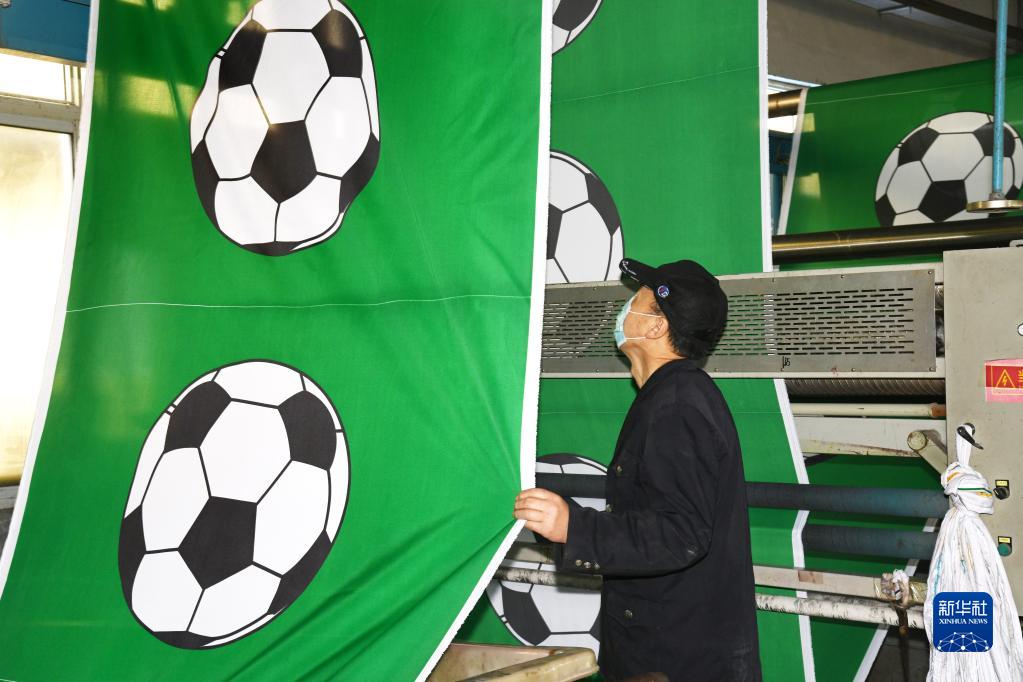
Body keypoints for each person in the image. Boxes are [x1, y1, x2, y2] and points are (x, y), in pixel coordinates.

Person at [514, 258, 762, 681]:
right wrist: (563, 523)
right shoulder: (670, 396)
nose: (625, 308)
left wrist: (575, 527)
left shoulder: (678, 404)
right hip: (667, 647)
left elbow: (681, 534)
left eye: (637, 300)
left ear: (656, 327)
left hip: (677, 660)